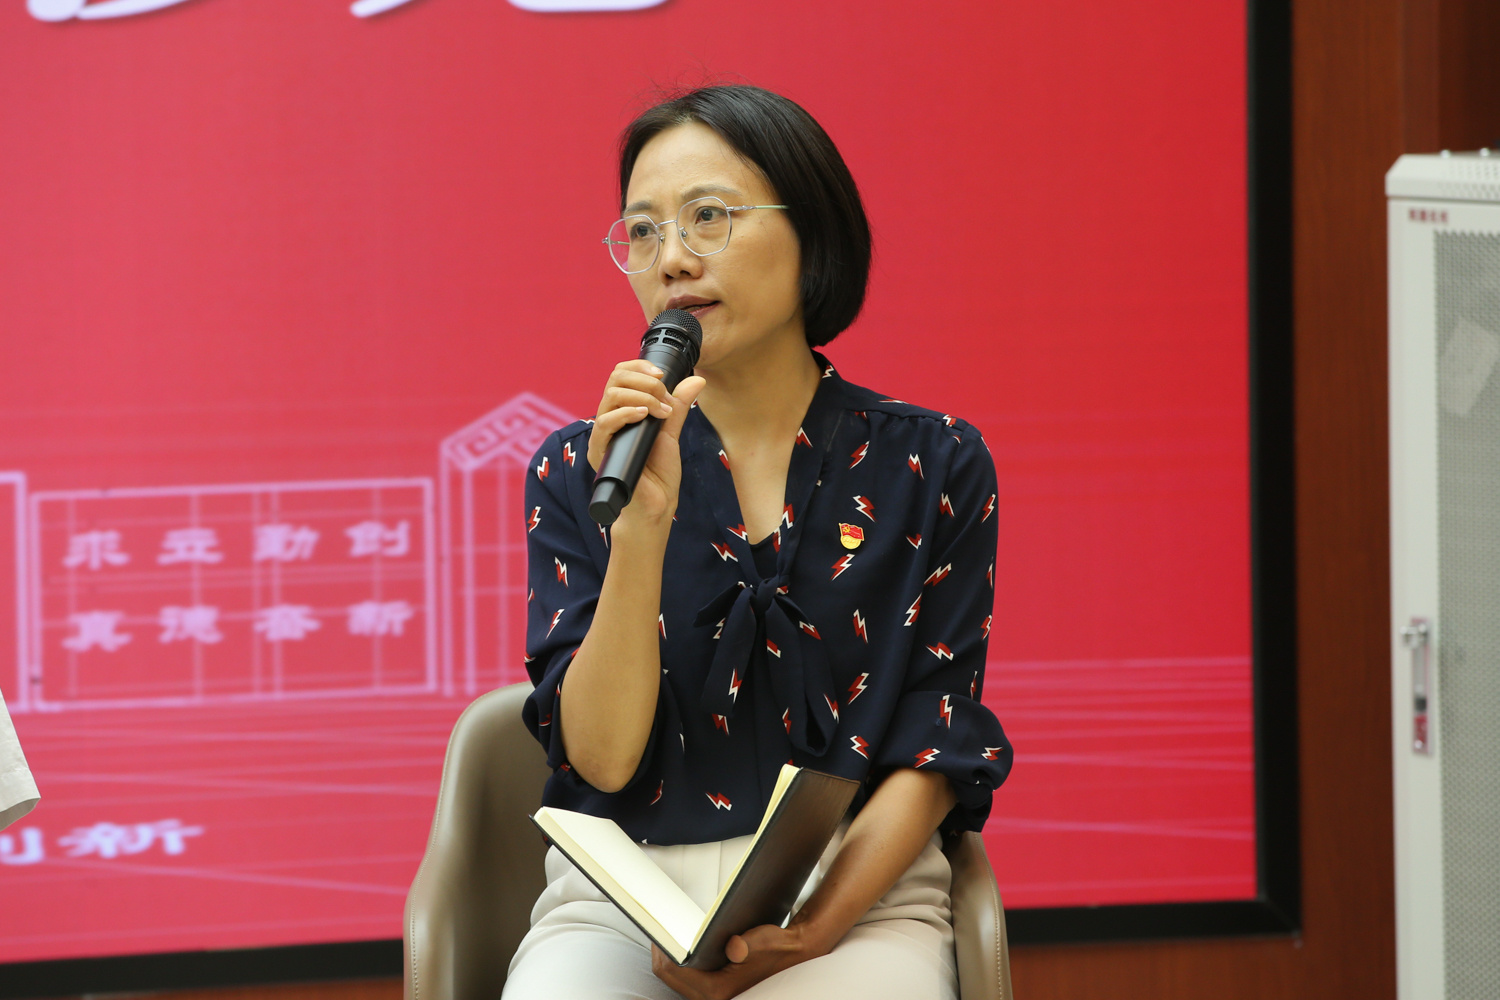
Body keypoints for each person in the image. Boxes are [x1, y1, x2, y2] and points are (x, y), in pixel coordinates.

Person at [506, 84, 1013, 1000]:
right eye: (644, 231)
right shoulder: (582, 469)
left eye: (709, 217)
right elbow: (602, 760)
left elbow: (934, 740)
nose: (672, 258)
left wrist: (814, 929)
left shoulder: (934, 461)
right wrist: (640, 533)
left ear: (812, 233)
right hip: (626, 901)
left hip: (853, 891)